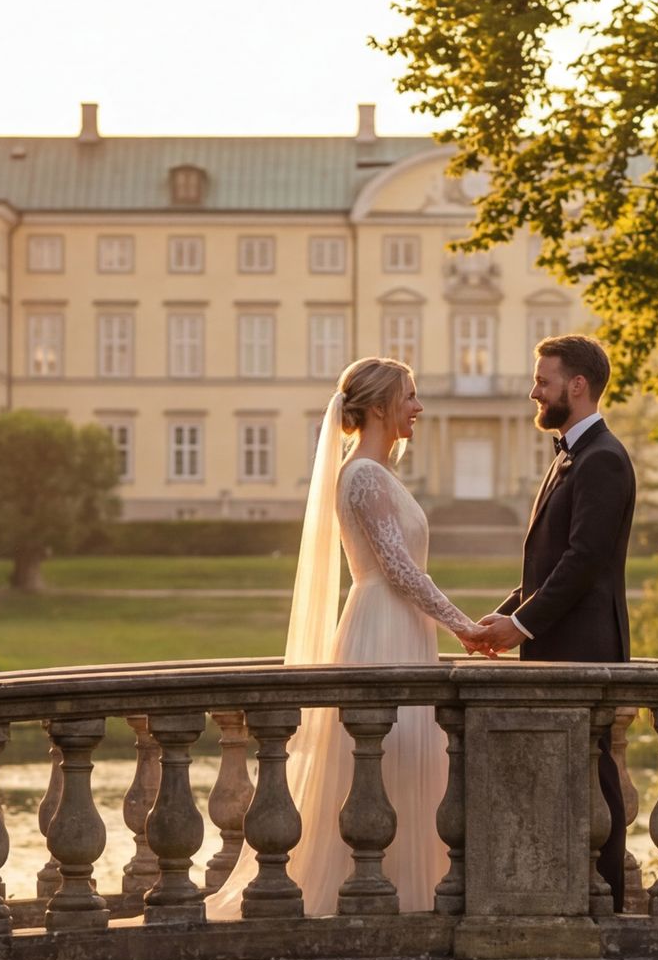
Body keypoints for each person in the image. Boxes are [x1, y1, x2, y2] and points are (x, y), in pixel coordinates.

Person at [206, 357, 492, 917]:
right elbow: (399, 571)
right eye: (410, 396)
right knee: (389, 759)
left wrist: (452, 625)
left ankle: (408, 892)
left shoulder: (376, 474)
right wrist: (465, 626)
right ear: (382, 405)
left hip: (403, 625)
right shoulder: (361, 475)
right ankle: (371, 895)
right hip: (382, 625)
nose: (419, 407)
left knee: (409, 761)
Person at [466, 333, 639, 909]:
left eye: (543, 381)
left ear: (577, 385)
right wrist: (509, 611)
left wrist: (523, 626)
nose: (533, 392)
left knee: (594, 780)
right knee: (563, 776)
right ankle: (563, 894)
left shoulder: (604, 458)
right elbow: (552, 561)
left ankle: (607, 903)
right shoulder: (572, 453)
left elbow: (584, 561)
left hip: (585, 647)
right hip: (560, 640)